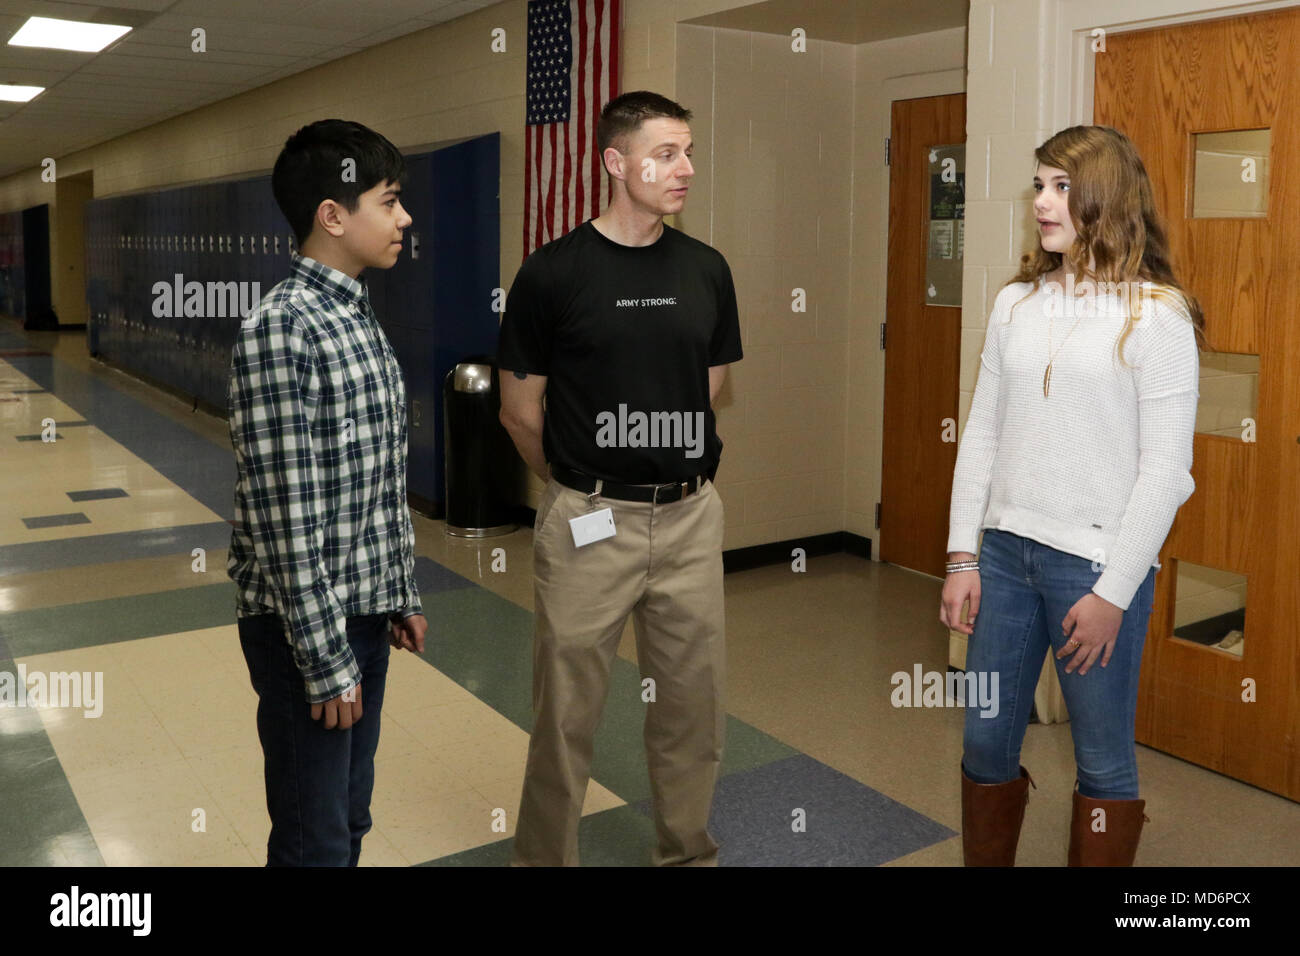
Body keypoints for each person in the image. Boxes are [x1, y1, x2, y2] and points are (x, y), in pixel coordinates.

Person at [940, 125, 1204, 866]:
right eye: (1038, 185)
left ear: (1104, 198)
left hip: (1094, 568)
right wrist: (964, 554)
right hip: (1004, 561)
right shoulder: (1015, 304)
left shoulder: (1158, 316)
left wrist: (1115, 590)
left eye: (1061, 187)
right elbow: (982, 434)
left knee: (1102, 761)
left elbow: (1167, 472)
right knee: (986, 740)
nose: (1042, 203)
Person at [498, 90, 742, 866]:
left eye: (690, 152)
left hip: (690, 520)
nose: (685, 169)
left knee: (693, 709)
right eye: (666, 153)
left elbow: (712, 386)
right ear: (614, 161)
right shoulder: (551, 274)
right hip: (586, 520)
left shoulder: (706, 268)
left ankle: (687, 852)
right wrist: (581, 485)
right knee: (567, 714)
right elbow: (518, 412)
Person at [227, 119, 428, 866]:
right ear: (333, 215)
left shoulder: (354, 313)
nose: (405, 218)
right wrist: (323, 659)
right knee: (315, 839)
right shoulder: (283, 330)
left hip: (363, 611)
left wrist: (399, 590)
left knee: (347, 818)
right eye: (390, 200)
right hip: (304, 631)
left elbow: (373, 480)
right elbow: (286, 519)